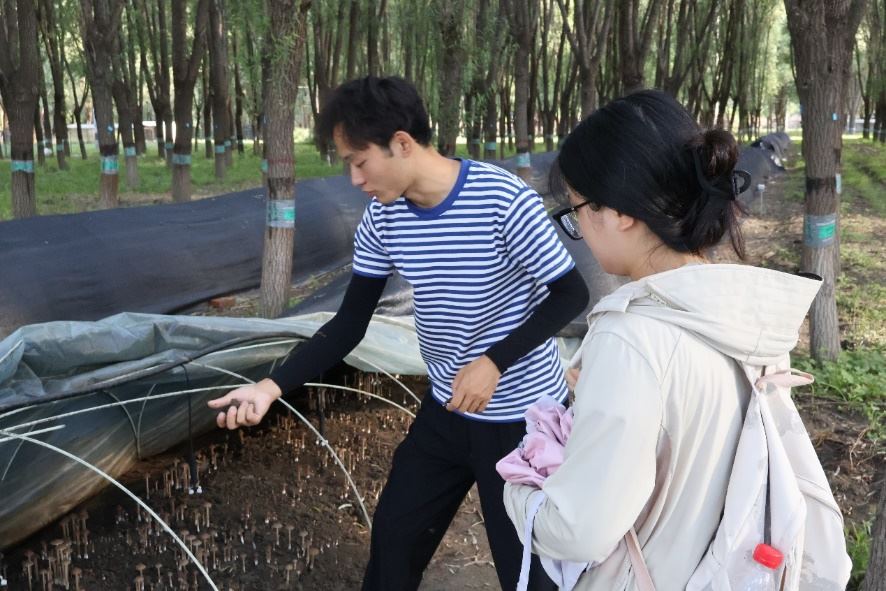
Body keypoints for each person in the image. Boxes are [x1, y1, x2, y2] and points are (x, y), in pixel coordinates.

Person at [208, 75, 589, 591]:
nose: (355, 180)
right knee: (393, 543)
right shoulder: (384, 220)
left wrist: (494, 362)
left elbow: (570, 294)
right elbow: (348, 324)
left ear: (402, 143)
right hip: (448, 410)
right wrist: (270, 387)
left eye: (359, 161)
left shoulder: (501, 199)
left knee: (527, 572)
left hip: (522, 419)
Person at [502, 90, 822, 589]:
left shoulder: (631, 339)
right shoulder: (744, 312)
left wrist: (519, 491)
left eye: (579, 210)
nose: (580, 228)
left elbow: (579, 529)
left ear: (620, 211)